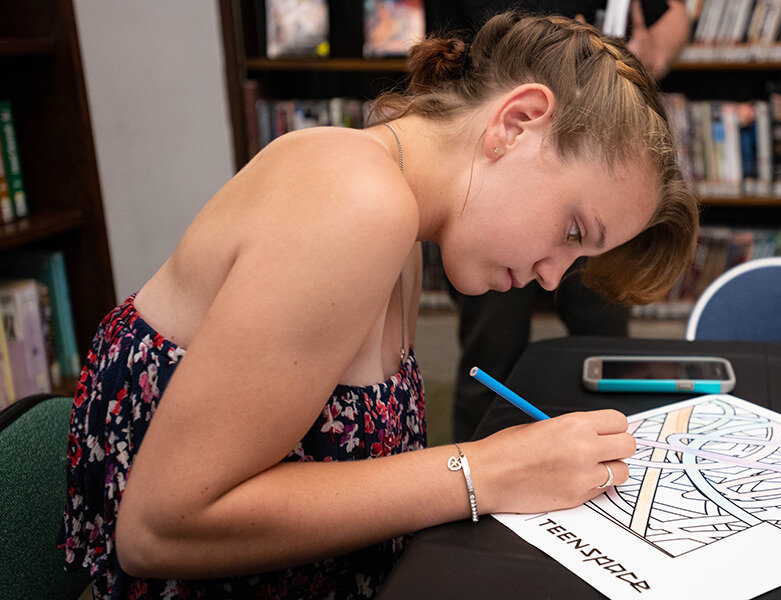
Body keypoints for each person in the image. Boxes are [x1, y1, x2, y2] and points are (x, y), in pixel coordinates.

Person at [61, 11, 699, 600]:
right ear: (515, 123)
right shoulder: (357, 200)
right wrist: (487, 469)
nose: (554, 278)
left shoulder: (403, 220)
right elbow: (160, 528)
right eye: (572, 231)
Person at [428, 0, 692, 442]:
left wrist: (641, 60)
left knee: (603, 340)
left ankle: (608, 436)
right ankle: (477, 444)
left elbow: (672, 18)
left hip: (592, 167)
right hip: (516, 176)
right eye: (573, 234)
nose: (552, 277)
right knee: (492, 349)